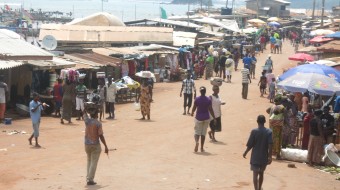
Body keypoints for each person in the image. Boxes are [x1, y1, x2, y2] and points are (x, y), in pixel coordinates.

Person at [243, 115, 273, 190]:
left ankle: (256, 188)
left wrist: (245, 152)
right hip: (264, 156)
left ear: (257, 121)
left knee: (255, 174)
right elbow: (270, 144)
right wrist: (270, 156)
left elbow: (250, 145)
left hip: (255, 157)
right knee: (261, 173)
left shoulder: (254, 131)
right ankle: (259, 188)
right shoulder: (269, 132)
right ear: (265, 122)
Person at [83, 108, 109, 185]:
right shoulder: (98, 123)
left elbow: (84, 113)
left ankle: (88, 177)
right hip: (95, 145)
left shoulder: (87, 121)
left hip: (87, 144)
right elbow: (101, 135)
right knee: (94, 162)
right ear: (96, 114)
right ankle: (90, 179)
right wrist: (105, 146)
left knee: (89, 161)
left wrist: (85, 108)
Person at [191, 86, 216, 152]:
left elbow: (194, 107)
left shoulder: (197, 99)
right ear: (205, 92)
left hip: (198, 118)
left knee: (197, 132)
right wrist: (214, 117)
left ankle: (197, 142)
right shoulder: (208, 99)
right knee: (203, 134)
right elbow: (210, 109)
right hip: (206, 118)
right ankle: (202, 148)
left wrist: (192, 112)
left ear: (200, 92)